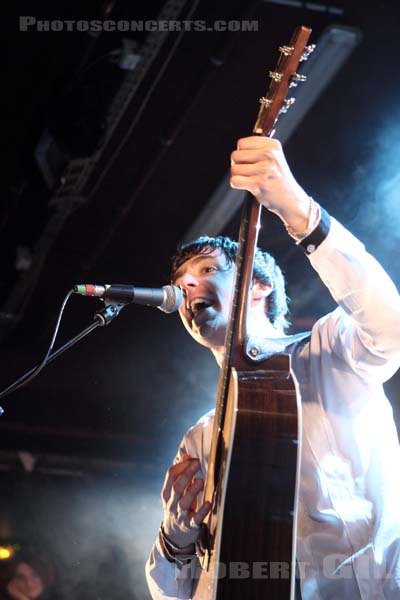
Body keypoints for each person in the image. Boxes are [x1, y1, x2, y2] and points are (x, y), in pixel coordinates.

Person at [145, 136, 400, 599]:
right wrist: (176, 540)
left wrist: (301, 213)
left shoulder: (330, 348)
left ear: (257, 285)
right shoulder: (202, 437)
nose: (185, 283)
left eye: (204, 270)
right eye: (180, 280)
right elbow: (174, 593)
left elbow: (393, 329)